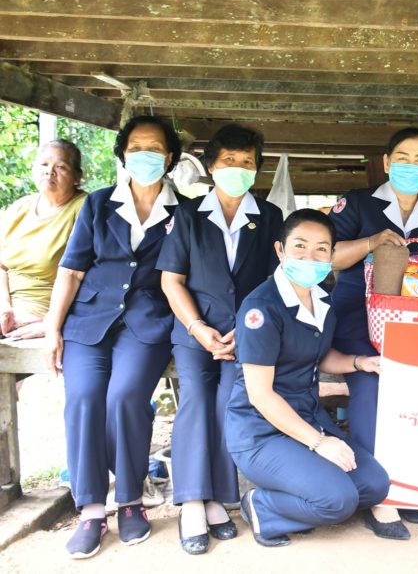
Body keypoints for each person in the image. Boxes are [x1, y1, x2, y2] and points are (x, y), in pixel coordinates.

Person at [43, 117, 183, 558]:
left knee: (124, 397)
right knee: (84, 398)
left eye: (154, 148)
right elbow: (71, 271)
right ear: (123, 154)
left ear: (170, 157)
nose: (144, 155)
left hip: (146, 322)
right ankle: (90, 509)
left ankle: (130, 500)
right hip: (89, 321)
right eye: (135, 147)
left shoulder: (185, 212)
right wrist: (52, 328)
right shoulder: (99, 204)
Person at [226, 209, 390, 548]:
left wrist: (360, 362)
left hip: (308, 419)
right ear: (280, 250)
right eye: (300, 246)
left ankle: (307, 492)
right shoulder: (261, 308)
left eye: (321, 249)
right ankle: (262, 507)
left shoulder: (322, 300)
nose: (310, 256)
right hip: (262, 432)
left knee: (374, 484)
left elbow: (319, 354)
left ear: (331, 255)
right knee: (338, 500)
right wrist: (319, 443)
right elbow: (260, 395)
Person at [158, 123, 283, 554]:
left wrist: (246, 327)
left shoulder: (269, 217)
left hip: (246, 334)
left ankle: (217, 498)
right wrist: (198, 327)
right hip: (194, 331)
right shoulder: (188, 215)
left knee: (228, 402)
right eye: (229, 160)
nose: (238, 168)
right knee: (195, 398)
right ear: (211, 166)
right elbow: (172, 281)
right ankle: (193, 502)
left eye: (247, 162)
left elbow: (275, 282)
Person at [327, 126, 418, 539]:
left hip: (416, 324)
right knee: (370, 388)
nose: (410, 166)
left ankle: (407, 485)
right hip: (355, 317)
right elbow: (327, 256)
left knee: (416, 394)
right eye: (402, 158)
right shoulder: (357, 203)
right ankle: (377, 494)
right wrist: (371, 242)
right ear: (386, 163)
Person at [0, 140, 86, 340]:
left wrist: (52, 322)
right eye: (44, 164)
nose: (49, 172)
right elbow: (1, 266)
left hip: (42, 312)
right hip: (7, 306)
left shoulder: (85, 208)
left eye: (61, 167)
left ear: (77, 177)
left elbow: (88, 276)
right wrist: (4, 306)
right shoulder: (20, 207)